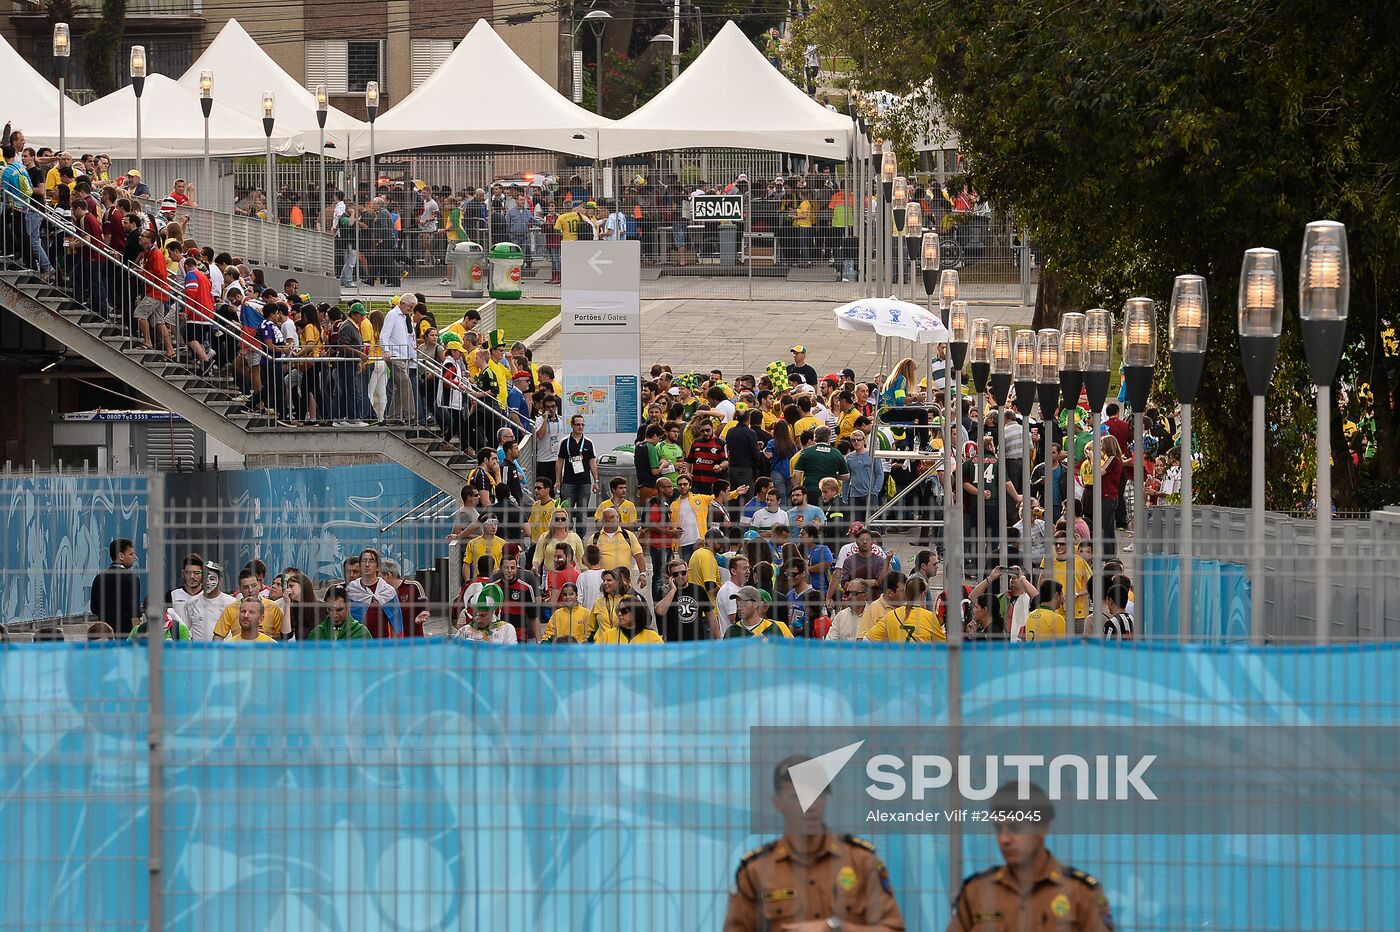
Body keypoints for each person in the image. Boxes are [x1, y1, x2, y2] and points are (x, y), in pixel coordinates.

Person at [724, 754, 905, 931]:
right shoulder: (755, 870)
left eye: (817, 795)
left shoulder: (860, 860)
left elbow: (893, 928)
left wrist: (835, 927)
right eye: (797, 797)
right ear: (777, 803)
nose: (810, 806)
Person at [947, 783, 1114, 931]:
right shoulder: (976, 892)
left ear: (1043, 828)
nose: (1004, 839)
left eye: (1015, 827)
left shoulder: (1081, 892)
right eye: (999, 828)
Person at [864, 576, 944, 642]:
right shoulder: (930, 617)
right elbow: (942, 647)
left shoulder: (891, 615)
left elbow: (867, 640)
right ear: (922, 594)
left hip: (897, 660)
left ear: (906, 593)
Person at [213, 568, 285, 640]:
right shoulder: (230, 609)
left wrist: (267, 637)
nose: (250, 590)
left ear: (259, 585)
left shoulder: (273, 607)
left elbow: (284, 636)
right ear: (240, 589)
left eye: (254, 585)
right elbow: (218, 636)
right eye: (245, 587)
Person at [90, 538, 142, 635]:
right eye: (131, 554)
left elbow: (94, 608)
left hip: (104, 634)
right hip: (125, 635)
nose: (134, 557)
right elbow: (134, 613)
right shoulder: (132, 578)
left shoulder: (99, 578)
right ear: (121, 556)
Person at [655, 558, 716, 641]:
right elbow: (660, 611)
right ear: (671, 577)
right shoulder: (665, 592)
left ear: (687, 573)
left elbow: (711, 616)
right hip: (675, 644)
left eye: (683, 573)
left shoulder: (698, 590)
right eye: (675, 574)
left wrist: (719, 637)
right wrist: (673, 590)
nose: (680, 577)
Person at [177, 560, 236, 642]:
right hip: (198, 653)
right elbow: (183, 630)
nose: (208, 582)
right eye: (205, 578)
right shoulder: (191, 603)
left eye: (212, 579)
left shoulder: (232, 603)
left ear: (220, 581)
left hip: (224, 653)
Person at [557, 415, 599, 524]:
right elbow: (560, 461)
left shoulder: (588, 442)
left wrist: (596, 481)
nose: (580, 427)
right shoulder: (565, 442)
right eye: (577, 424)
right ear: (572, 425)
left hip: (584, 482)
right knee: (567, 511)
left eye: (582, 424)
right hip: (568, 482)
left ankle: (581, 537)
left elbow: (592, 462)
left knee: (582, 513)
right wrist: (557, 480)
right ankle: (567, 535)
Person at [453, 583, 518, 643]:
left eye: (483, 615)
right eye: (476, 615)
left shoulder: (506, 629)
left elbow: (512, 654)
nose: (478, 619)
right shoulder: (464, 631)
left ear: (492, 612)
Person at [723, 585, 795, 638]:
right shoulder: (731, 631)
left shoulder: (778, 627)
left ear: (755, 604)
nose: (739, 608)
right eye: (737, 603)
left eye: (743, 603)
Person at [305, 585, 372, 640]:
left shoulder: (361, 633)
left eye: (339, 610)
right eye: (330, 609)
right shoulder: (317, 634)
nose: (334, 615)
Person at [594, 598, 665, 644]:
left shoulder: (652, 637)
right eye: (618, 610)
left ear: (636, 613)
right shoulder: (608, 635)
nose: (619, 614)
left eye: (624, 611)